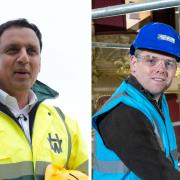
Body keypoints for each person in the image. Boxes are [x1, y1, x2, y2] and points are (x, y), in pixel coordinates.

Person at [0, 18, 88, 180]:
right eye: (12, 50)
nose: (24, 58)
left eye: (32, 51)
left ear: (39, 63)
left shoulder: (66, 124)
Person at [92, 22, 180, 180]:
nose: (161, 69)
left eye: (169, 63)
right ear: (133, 63)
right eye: (151, 60)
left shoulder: (155, 99)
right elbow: (160, 175)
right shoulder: (124, 113)